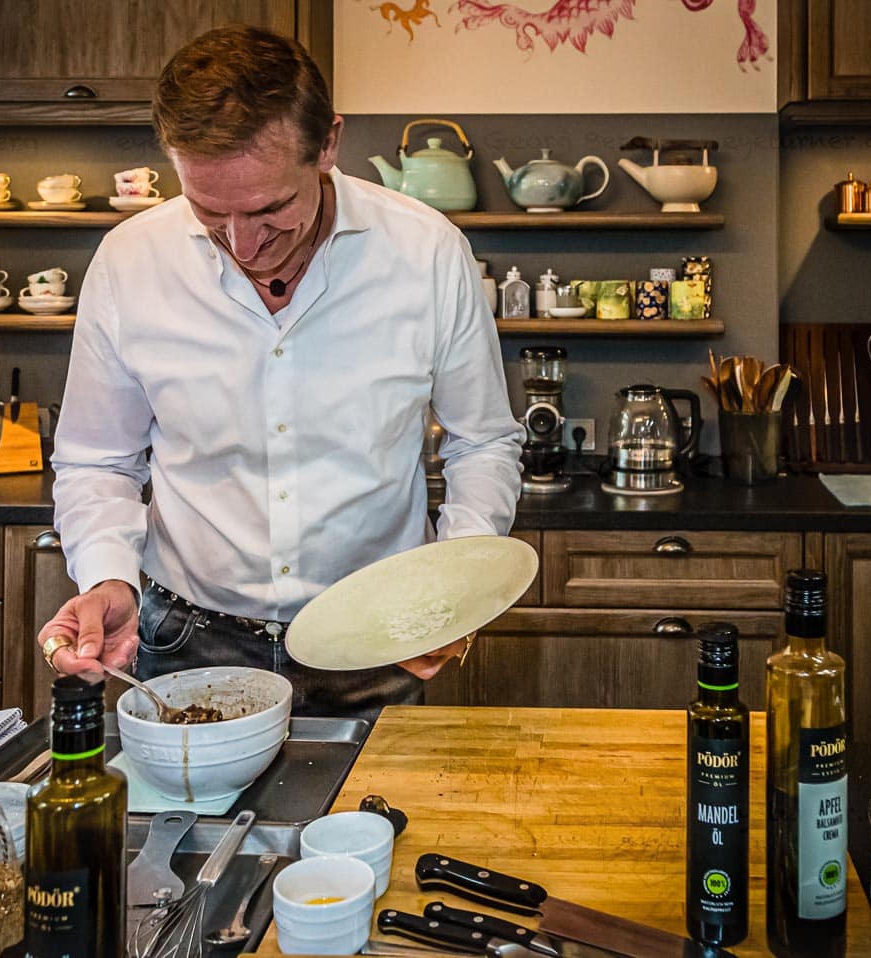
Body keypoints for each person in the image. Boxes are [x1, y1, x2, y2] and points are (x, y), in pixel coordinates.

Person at [38, 24, 524, 719]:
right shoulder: (129, 263)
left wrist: (453, 586)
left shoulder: (427, 254)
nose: (243, 244)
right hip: (183, 642)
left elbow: (483, 441)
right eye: (209, 210)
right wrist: (107, 575)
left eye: (270, 209)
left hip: (376, 640)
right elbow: (98, 459)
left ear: (328, 144)